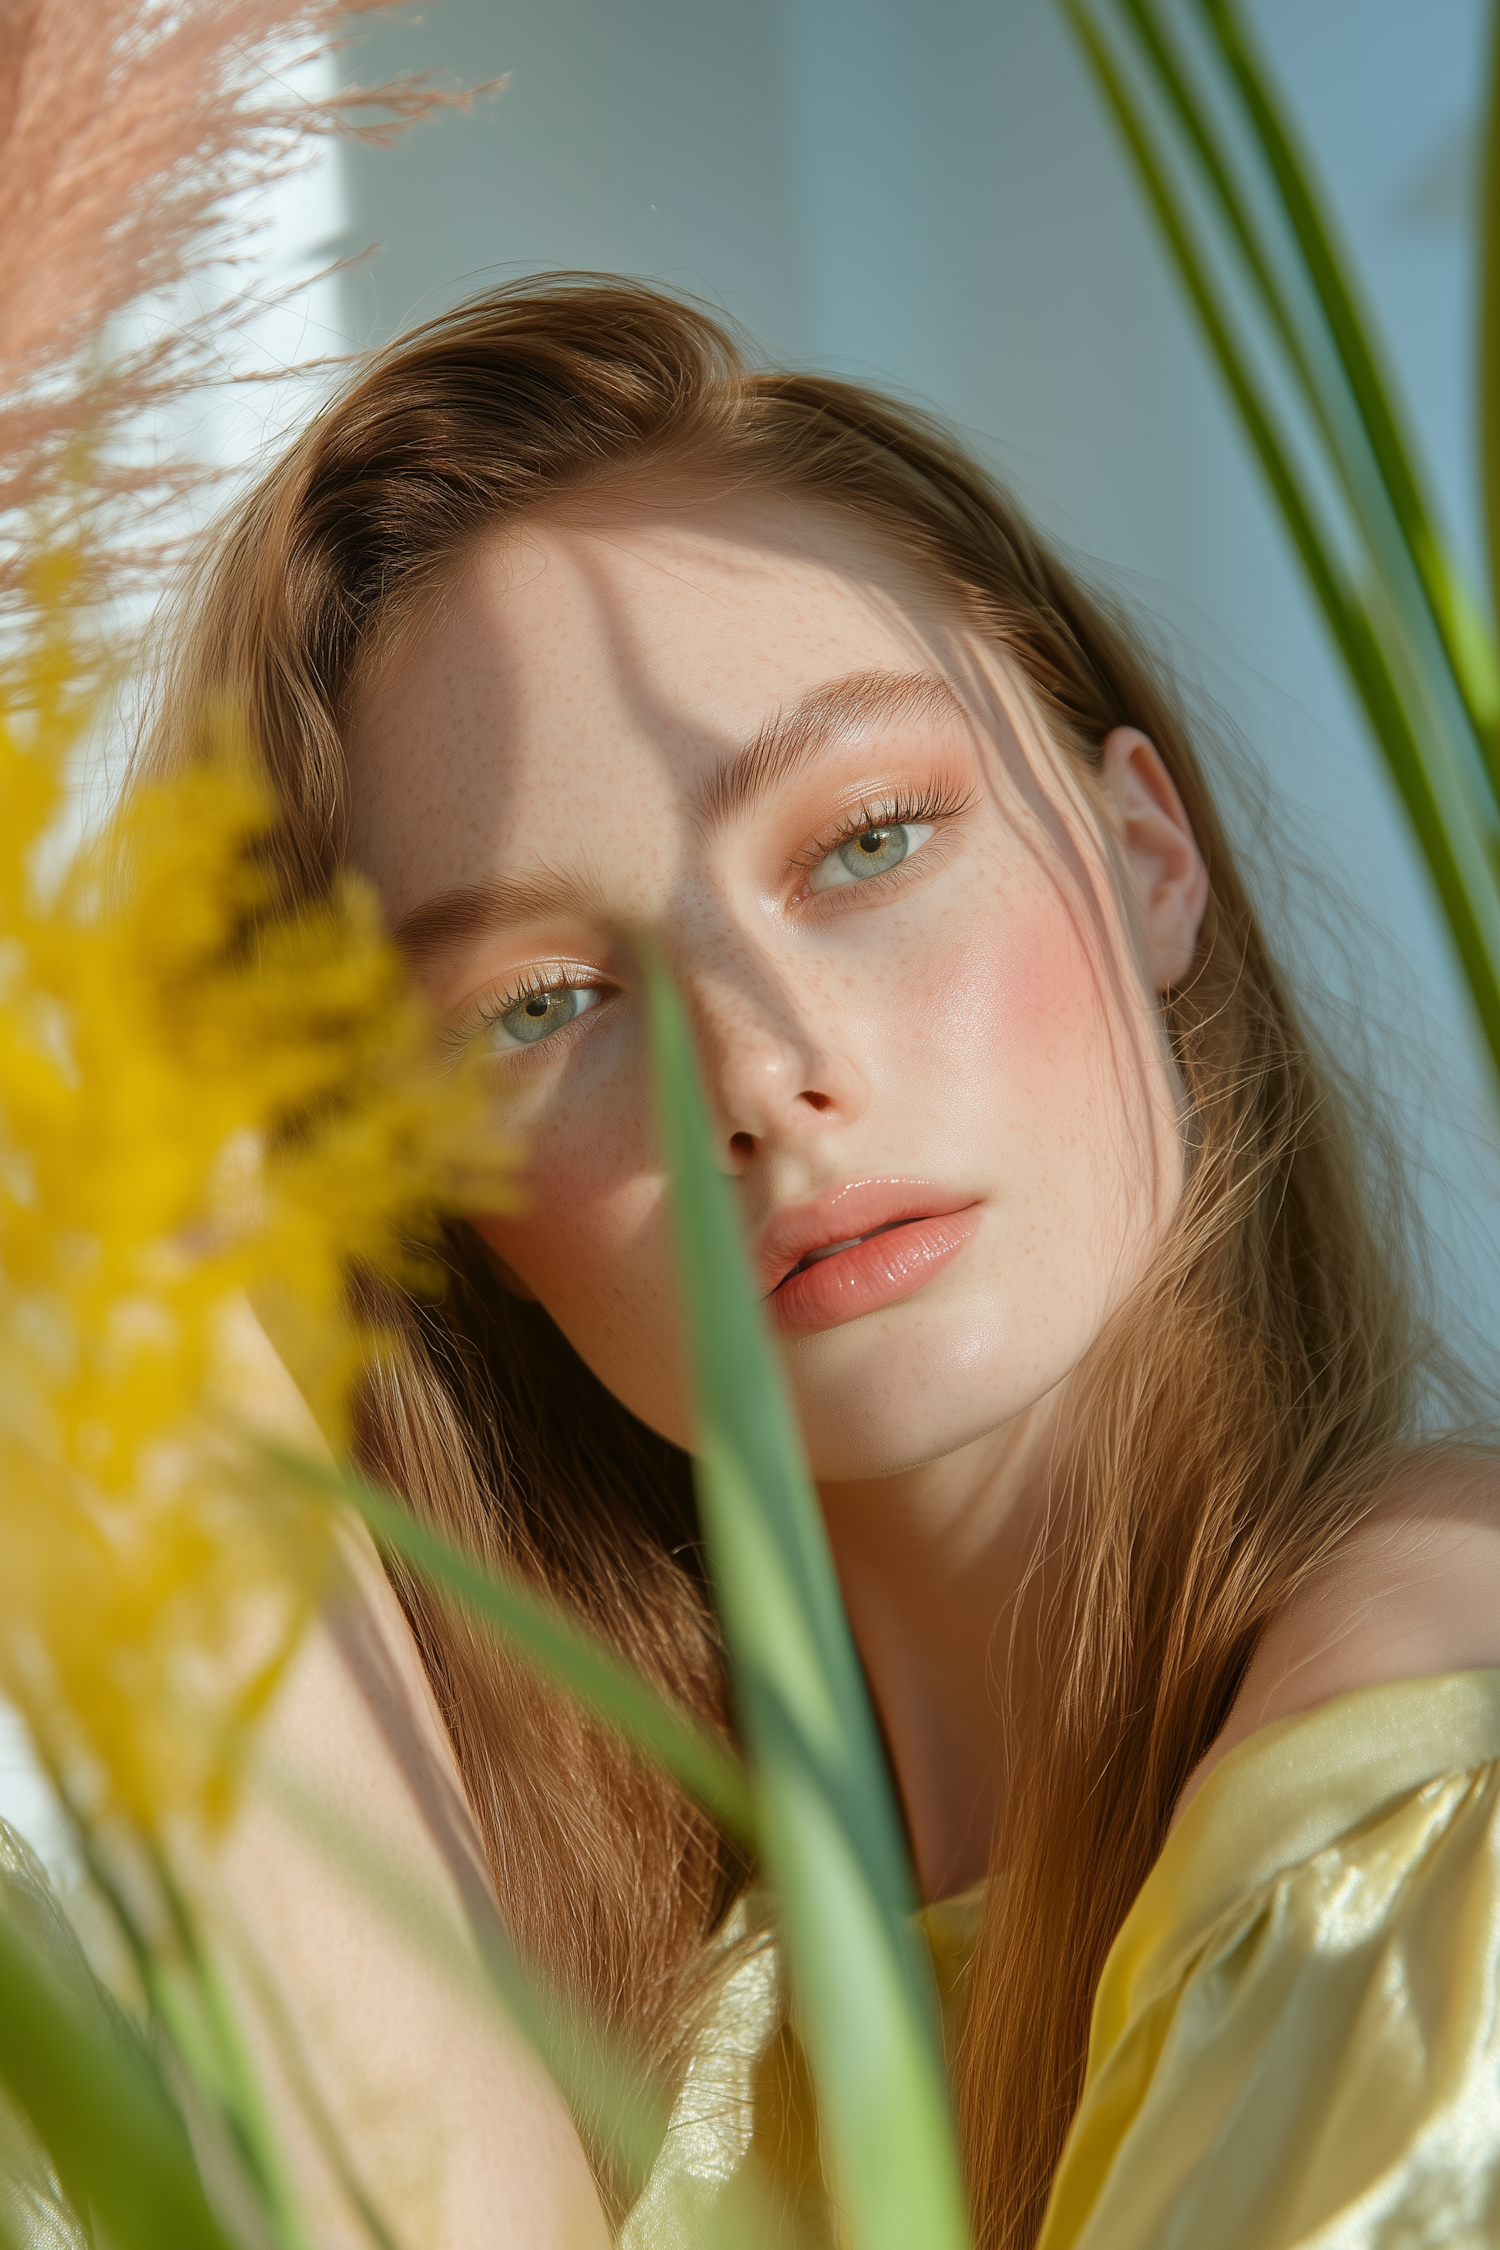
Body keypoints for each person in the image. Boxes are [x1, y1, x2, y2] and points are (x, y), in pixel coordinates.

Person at [136, 274, 1500, 2249]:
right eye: (541, 1005)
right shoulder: (602, 1996)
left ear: (1147, 857)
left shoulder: (1419, 1826)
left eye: (864, 843)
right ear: (441, 1217)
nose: (761, 1075)